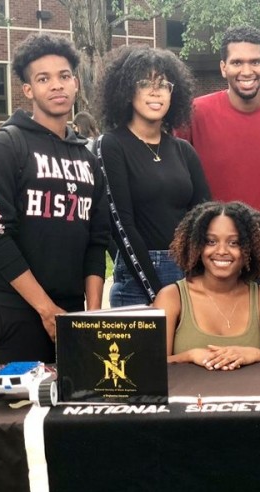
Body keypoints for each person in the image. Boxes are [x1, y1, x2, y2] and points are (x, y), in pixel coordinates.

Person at [0, 33, 110, 492]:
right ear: (26, 89)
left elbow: (98, 237)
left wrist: (89, 312)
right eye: (43, 78)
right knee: (24, 430)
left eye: (64, 76)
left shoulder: (84, 154)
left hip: (76, 317)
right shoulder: (7, 146)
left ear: (77, 82)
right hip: (20, 315)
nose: (56, 85)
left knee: (76, 428)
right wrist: (48, 309)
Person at [179, 25, 260, 309]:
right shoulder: (194, 114)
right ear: (223, 67)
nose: (246, 70)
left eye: (254, 61)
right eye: (237, 62)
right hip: (212, 255)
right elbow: (175, 181)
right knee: (211, 346)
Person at [98, 45, 210, 307]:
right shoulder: (112, 145)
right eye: (144, 83)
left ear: (174, 93)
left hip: (186, 273)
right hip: (137, 280)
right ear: (126, 91)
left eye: (163, 84)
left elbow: (204, 216)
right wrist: (155, 292)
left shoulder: (183, 150)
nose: (155, 91)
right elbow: (121, 225)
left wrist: (196, 272)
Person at [153, 201, 260, 368]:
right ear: (197, 245)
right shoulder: (171, 297)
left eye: (234, 243)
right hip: (191, 394)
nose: (222, 251)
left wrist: (254, 354)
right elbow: (151, 364)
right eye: (211, 242)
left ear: (250, 248)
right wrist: (190, 356)